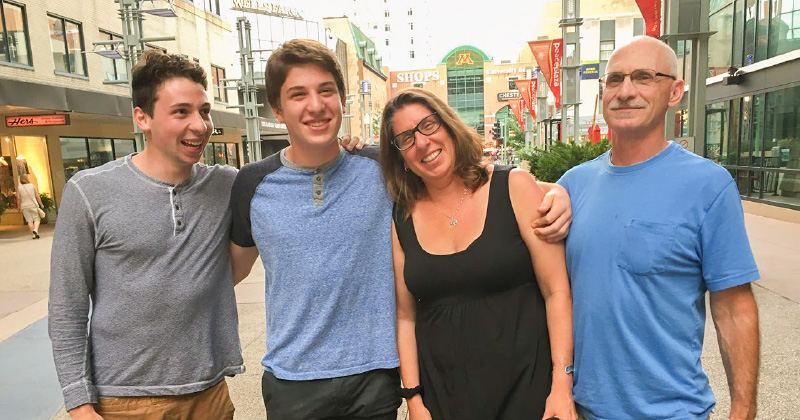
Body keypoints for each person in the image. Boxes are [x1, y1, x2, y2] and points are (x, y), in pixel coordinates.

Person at [228, 39, 573, 420]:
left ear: (342, 100)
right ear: (277, 109)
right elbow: (231, 268)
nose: (315, 104)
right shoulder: (252, 184)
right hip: (295, 382)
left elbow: (502, 190)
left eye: (326, 90)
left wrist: (559, 192)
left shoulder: (380, 171)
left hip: (376, 380)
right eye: (298, 94)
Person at [558, 36, 760, 420]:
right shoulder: (572, 185)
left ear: (675, 92)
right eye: (614, 79)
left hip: (672, 411)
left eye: (644, 77)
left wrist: (743, 409)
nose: (625, 91)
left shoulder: (708, 186)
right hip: (582, 410)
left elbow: (734, 307)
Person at [49, 50, 244, 420]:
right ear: (143, 117)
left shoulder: (227, 186)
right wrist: (79, 404)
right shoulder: (89, 191)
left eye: (204, 111)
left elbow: (290, 169)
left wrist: (353, 149)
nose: (201, 125)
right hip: (123, 400)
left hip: (210, 395)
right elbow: (66, 307)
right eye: (181, 112)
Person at [379, 88, 576, 420]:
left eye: (428, 125)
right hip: (443, 398)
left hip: (529, 392)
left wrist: (562, 383)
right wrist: (414, 401)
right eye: (406, 138)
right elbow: (405, 316)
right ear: (401, 158)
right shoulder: (402, 217)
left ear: (449, 125)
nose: (422, 142)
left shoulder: (513, 187)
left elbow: (556, 291)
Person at [17, 173, 44, 239]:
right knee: (37, 219)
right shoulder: (32, 186)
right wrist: (41, 204)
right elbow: (37, 196)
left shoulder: (19, 188)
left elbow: (18, 198)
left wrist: (18, 207)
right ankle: (35, 230)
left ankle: (34, 234)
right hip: (33, 205)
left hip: (24, 206)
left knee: (29, 221)